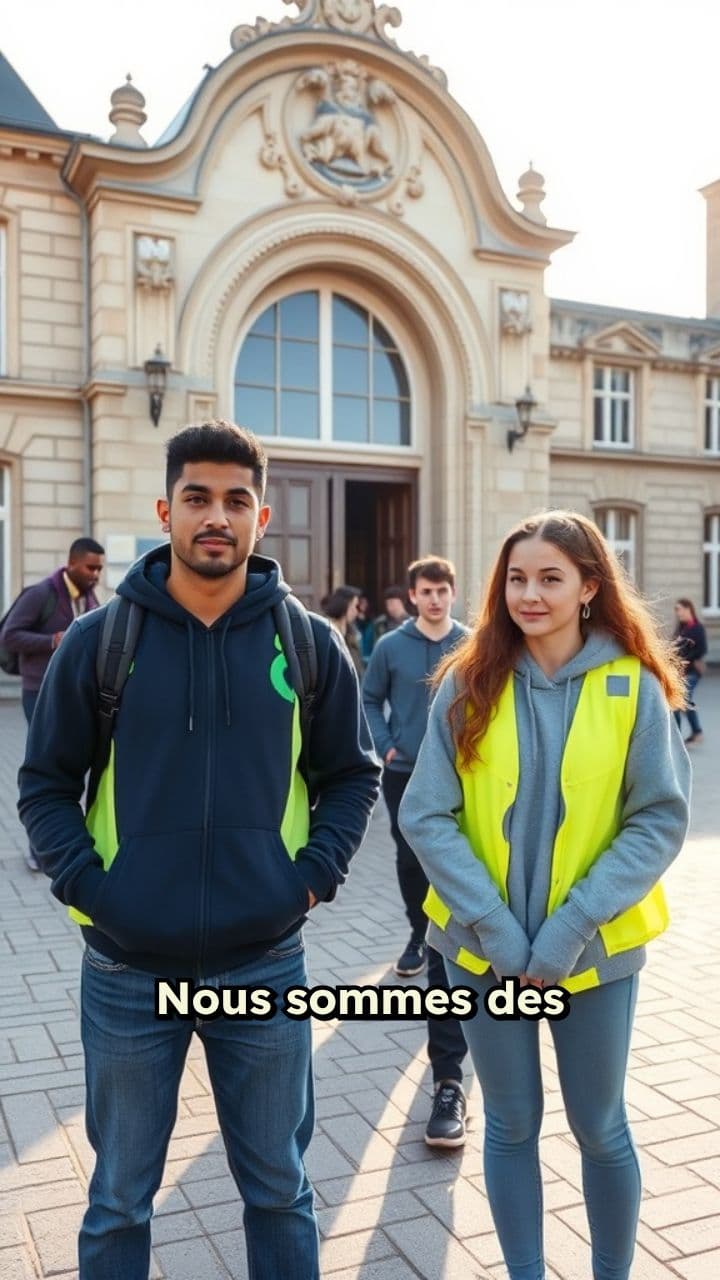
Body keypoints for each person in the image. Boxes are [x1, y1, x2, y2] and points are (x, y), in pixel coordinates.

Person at [18, 420, 380, 1280]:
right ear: (166, 510)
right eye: (198, 499)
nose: (216, 516)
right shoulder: (99, 641)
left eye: (236, 500)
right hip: (126, 971)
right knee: (117, 1203)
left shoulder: (309, 643)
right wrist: (93, 890)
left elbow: (351, 776)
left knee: (281, 1192)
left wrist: (309, 881)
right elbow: (43, 782)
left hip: (265, 964)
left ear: (261, 519)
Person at [399, 511, 691, 1280]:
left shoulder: (632, 686)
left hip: (593, 955)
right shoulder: (468, 677)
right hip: (479, 950)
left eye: (551, 578)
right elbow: (425, 812)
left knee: (601, 1128)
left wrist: (569, 927)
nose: (529, 594)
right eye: (517, 579)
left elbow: (657, 820)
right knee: (511, 1125)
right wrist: (492, 926)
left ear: (590, 586)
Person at [362, 556, 469, 1147]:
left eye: (443, 591)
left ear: (453, 593)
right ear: (413, 595)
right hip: (404, 774)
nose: (435, 600)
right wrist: (385, 748)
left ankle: (440, 945)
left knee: (451, 877)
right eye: (426, 592)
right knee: (409, 864)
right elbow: (368, 697)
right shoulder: (390, 647)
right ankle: (415, 929)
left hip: (460, 778)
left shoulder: (472, 643)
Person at [1, 536, 104, 870]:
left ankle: (71, 840)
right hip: (38, 690)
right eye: (90, 567)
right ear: (71, 563)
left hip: (77, 694)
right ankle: (38, 849)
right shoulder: (40, 595)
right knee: (48, 768)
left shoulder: (89, 598)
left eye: (99, 569)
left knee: (78, 767)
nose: (95, 574)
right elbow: (9, 636)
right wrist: (52, 640)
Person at [673, 597, 707, 746]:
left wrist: (687, 659)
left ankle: (678, 739)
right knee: (685, 701)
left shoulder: (697, 628)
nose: (677, 613)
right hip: (679, 672)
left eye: (679, 609)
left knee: (682, 700)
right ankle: (696, 732)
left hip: (692, 671)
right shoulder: (681, 628)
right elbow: (675, 648)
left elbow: (702, 649)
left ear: (688, 609)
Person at [322, 584, 365, 677]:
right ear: (345, 605)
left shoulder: (353, 633)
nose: (356, 611)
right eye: (354, 606)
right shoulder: (325, 631)